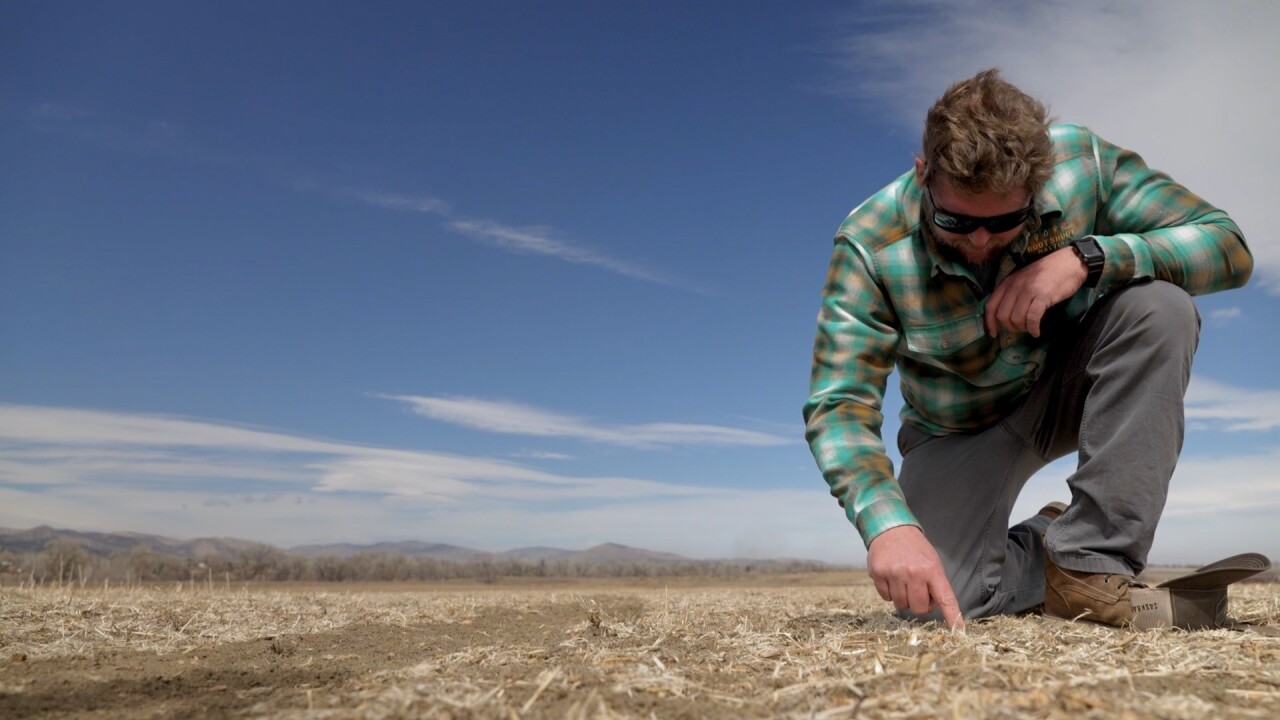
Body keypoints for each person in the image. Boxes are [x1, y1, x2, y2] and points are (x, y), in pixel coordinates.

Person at [802, 69, 1252, 630]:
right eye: (956, 220)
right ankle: (1048, 545)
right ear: (924, 175)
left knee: (1160, 308)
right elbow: (839, 404)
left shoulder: (1082, 164)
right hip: (955, 431)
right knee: (940, 605)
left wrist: (1087, 258)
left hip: (1068, 387)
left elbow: (1227, 245)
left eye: (1005, 222)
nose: (981, 241)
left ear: (1038, 186)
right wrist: (888, 526)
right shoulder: (869, 244)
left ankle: (1091, 560)